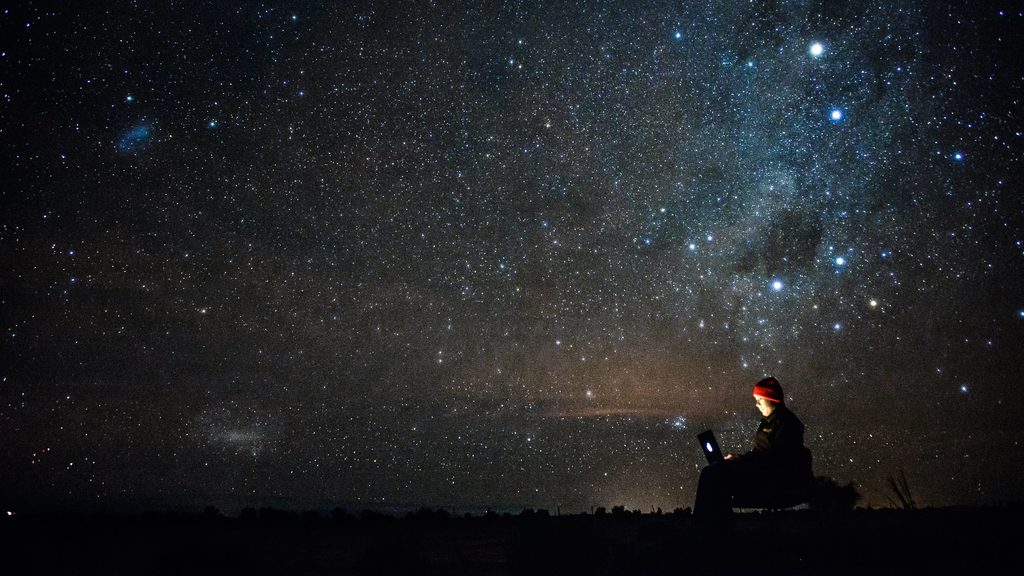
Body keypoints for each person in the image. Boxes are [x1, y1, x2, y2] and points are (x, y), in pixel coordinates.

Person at [693, 376, 813, 529]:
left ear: (772, 399)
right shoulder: (768, 421)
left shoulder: (787, 423)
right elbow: (761, 453)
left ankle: (710, 528)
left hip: (771, 478)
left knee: (713, 473)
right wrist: (739, 459)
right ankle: (712, 526)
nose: (756, 404)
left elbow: (775, 458)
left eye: (760, 400)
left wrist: (741, 462)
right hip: (760, 471)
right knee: (712, 471)